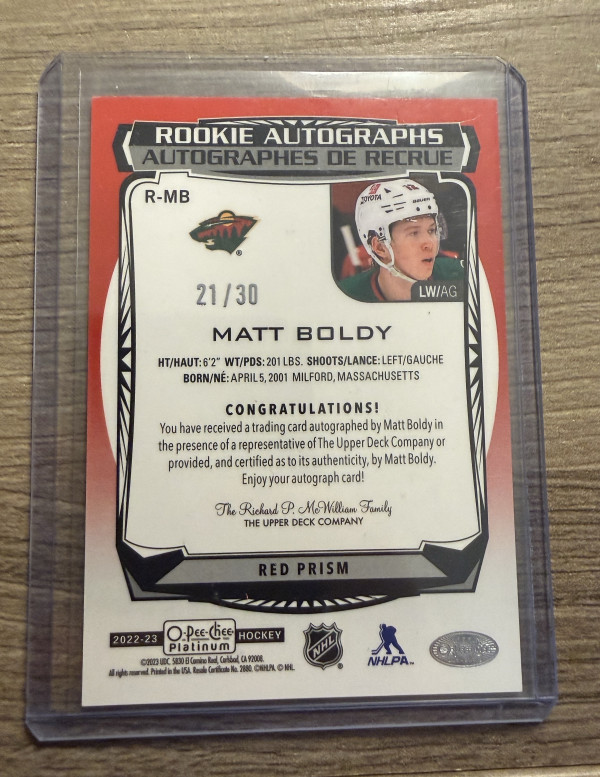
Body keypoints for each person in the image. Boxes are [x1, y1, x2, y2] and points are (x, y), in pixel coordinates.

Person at [338, 178, 463, 302]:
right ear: (380, 247)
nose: (430, 244)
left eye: (431, 230)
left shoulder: (460, 275)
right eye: (414, 233)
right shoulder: (343, 296)